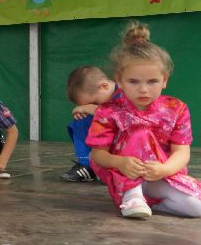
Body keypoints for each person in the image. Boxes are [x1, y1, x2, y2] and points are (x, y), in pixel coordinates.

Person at [86, 22, 201, 219]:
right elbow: (97, 155)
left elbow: (181, 152)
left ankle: (148, 200)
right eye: (133, 81)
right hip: (124, 174)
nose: (143, 90)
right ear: (119, 80)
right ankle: (132, 195)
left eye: (152, 81)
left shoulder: (177, 109)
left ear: (164, 79)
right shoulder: (108, 112)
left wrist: (164, 169)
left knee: (196, 209)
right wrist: (120, 162)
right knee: (140, 133)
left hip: (160, 175)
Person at [63, 66, 119, 182]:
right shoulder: (103, 94)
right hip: (105, 138)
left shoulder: (125, 92)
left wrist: (90, 108)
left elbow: (122, 116)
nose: (89, 107)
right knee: (81, 121)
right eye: (85, 104)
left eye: (94, 102)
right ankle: (86, 164)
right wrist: (83, 111)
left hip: (128, 143)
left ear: (104, 86)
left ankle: (114, 167)